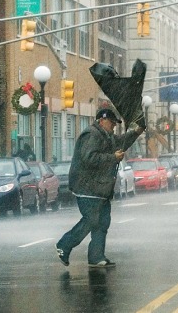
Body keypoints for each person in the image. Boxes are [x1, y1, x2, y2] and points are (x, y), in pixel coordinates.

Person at [55, 108, 145, 267]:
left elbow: (120, 142)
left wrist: (136, 132)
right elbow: (89, 158)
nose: (113, 127)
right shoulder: (92, 135)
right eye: (111, 123)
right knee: (92, 220)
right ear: (101, 120)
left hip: (100, 189)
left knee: (102, 222)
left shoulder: (105, 136)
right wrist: (113, 158)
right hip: (87, 187)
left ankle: (96, 256)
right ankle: (64, 245)